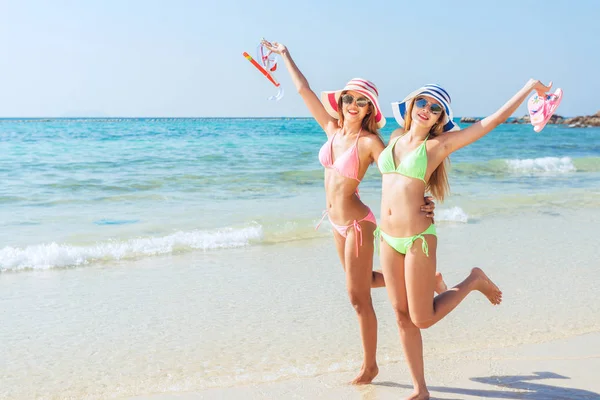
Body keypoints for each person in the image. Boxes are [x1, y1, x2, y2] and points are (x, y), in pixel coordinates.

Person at [262, 39, 438, 384]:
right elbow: (303, 90)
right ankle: (422, 280)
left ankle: (370, 366)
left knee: (357, 297)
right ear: (340, 103)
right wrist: (285, 55)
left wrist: (425, 200)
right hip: (336, 224)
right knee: (359, 283)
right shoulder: (331, 130)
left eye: (362, 101)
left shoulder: (370, 143)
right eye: (348, 98)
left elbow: (401, 170)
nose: (353, 104)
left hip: (358, 224)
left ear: (370, 109)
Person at [378, 80, 552, 399]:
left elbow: (493, 121)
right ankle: (420, 389)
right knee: (402, 317)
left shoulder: (438, 146)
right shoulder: (393, 137)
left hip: (418, 238)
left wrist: (529, 88)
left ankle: (473, 280)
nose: (426, 110)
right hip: (387, 239)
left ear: (441, 119)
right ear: (411, 105)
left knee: (423, 318)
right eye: (422, 103)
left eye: (435, 109)